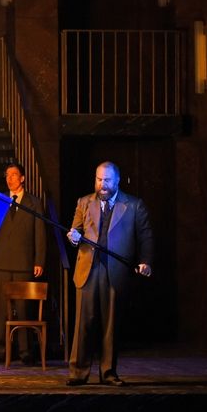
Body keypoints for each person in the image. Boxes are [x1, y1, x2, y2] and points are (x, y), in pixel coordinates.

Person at [66, 161, 153, 387]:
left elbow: (145, 236)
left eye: (106, 181)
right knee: (83, 324)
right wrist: (73, 236)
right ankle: (78, 372)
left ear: (117, 181)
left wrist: (145, 261)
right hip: (88, 270)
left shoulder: (133, 205)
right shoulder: (84, 202)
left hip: (115, 271)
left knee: (110, 325)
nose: (102, 185)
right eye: (98, 179)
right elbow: (76, 229)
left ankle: (108, 373)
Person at [0, 163, 46, 365]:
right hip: (0, 261)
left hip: (24, 262)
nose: (10, 178)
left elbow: (40, 234)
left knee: (23, 308)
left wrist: (39, 260)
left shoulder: (33, 203)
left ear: (23, 178)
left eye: (14, 174)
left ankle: (25, 350)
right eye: (7, 175)